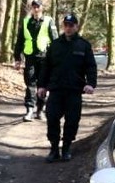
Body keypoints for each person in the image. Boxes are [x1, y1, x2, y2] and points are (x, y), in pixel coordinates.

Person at [38, 12, 97, 163]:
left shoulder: (83, 45)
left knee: (72, 121)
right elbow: (46, 67)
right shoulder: (55, 45)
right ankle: (53, 149)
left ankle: (66, 148)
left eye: (71, 25)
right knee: (52, 118)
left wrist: (90, 84)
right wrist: (41, 86)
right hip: (56, 89)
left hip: (74, 90)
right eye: (66, 25)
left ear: (76, 26)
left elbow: (91, 67)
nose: (68, 28)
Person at [13, 0, 59, 121]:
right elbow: (20, 41)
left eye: (38, 7)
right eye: (34, 7)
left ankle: (40, 110)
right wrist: (17, 58)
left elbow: (55, 41)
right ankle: (29, 110)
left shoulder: (48, 21)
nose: (36, 9)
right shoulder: (26, 21)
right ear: (32, 9)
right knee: (30, 84)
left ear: (42, 8)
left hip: (45, 58)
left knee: (42, 85)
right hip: (30, 58)